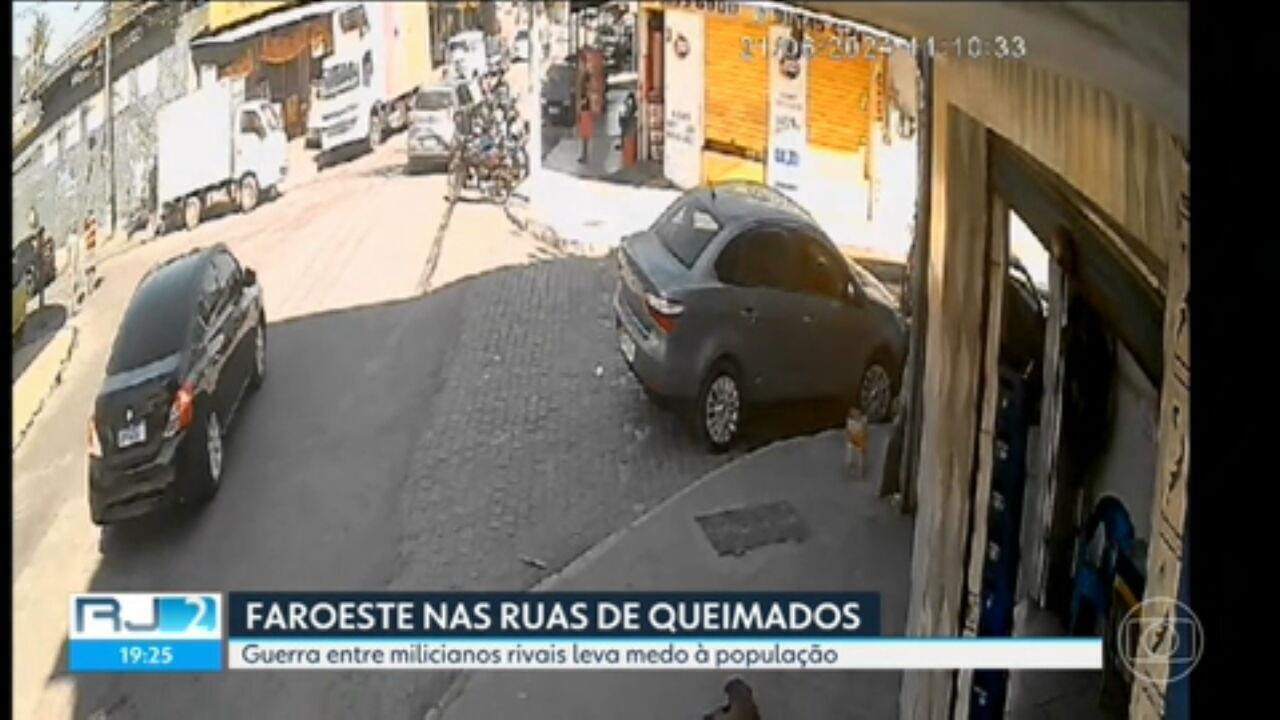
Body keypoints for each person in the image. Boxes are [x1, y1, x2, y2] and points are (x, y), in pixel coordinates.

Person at [577, 59, 593, 164]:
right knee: (584, 135)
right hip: (586, 107)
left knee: (584, 134)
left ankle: (585, 156)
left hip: (585, 109)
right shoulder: (586, 76)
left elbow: (584, 94)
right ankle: (584, 155)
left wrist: (580, 107)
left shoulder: (584, 77)